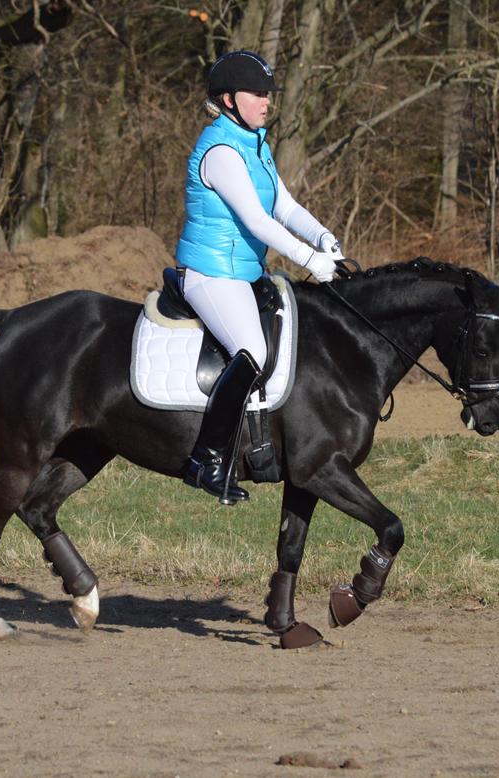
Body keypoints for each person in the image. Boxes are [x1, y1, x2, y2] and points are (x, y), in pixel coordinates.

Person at [176, 50, 344, 504]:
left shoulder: (255, 144)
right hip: (211, 273)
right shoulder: (222, 151)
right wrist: (309, 261)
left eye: (268, 94)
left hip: (246, 273)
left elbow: (284, 208)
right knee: (252, 350)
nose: (267, 101)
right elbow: (257, 222)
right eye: (258, 94)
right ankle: (206, 460)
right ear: (229, 99)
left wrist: (324, 237)